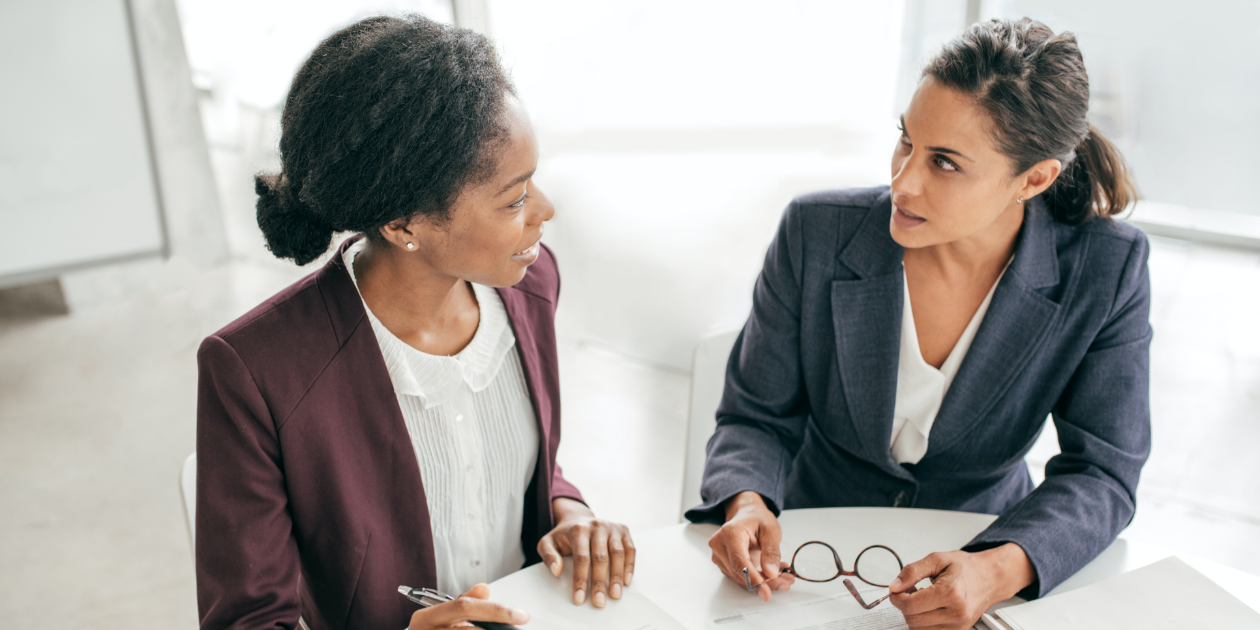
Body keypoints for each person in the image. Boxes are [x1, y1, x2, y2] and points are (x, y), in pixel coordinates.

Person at [689, 18, 1149, 630]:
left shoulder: (1106, 269)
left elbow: (1103, 472)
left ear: (1034, 179)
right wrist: (747, 503)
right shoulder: (816, 232)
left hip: (979, 548)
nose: (903, 182)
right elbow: (756, 417)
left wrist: (1000, 567)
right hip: (808, 560)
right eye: (906, 141)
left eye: (946, 163)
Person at [195, 15, 634, 630]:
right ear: (404, 225)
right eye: (513, 199)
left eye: (533, 182)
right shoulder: (255, 370)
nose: (545, 211)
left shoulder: (532, 285)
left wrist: (569, 509)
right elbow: (246, 622)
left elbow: (514, 462)